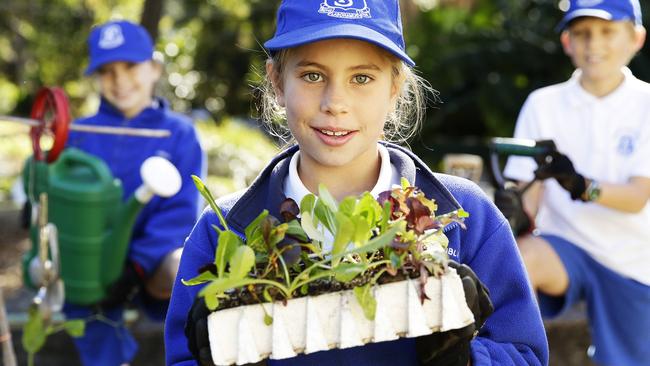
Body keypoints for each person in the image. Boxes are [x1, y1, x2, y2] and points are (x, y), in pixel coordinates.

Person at [166, 1, 548, 365]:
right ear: (278, 83)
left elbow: (525, 353)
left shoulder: (464, 217)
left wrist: (462, 359)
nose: (336, 102)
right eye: (312, 75)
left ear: (394, 88)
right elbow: (182, 357)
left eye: (362, 78)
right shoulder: (224, 230)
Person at [497, 1, 650, 365]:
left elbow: (637, 197)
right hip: (565, 248)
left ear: (636, 38)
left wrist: (581, 185)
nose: (593, 44)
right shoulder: (542, 104)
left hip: (635, 263)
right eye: (582, 33)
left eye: (606, 31)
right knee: (518, 256)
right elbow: (529, 194)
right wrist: (513, 209)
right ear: (567, 42)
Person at [63, 20, 205, 366]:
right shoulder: (80, 132)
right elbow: (61, 191)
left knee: (181, 267)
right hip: (94, 260)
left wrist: (138, 266)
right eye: (107, 71)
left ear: (154, 68)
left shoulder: (179, 135)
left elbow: (181, 214)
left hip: (150, 265)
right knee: (87, 311)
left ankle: (191, 352)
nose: (120, 80)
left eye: (130, 67)